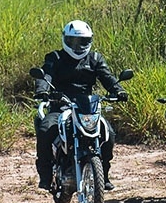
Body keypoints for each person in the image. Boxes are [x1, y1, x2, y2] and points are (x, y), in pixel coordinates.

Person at [33, 20, 129, 191]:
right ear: (65, 40)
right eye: (73, 41)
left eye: (83, 42)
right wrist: (42, 90)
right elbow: (45, 75)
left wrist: (118, 90)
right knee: (45, 129)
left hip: (85, 107)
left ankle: (103, 175)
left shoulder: (95, 59)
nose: (78, 46)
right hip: (60, 105)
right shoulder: (55, 58)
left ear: (89, 41)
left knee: (109, 134)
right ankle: (45, 175)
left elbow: (108, 78)